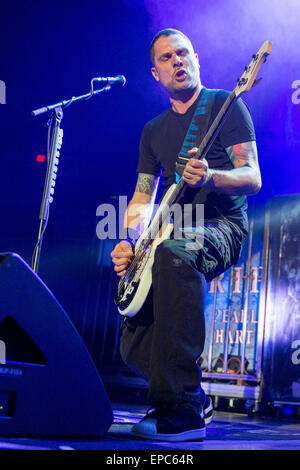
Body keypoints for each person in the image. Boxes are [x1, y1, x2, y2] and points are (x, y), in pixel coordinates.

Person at [111, 28, 261, 442]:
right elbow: (143, 199)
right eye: (166, 58)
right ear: (155, 73)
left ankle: (184, 406)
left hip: (222, 226)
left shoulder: (226, 106)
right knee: (133, 331)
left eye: (182, 53)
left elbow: (252, 177)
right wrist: (127, 243)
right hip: (166, 236)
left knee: (174, 255)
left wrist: (212, 176)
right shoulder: (152, 131)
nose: (176, 61)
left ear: (196, 60)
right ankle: (184, 390)